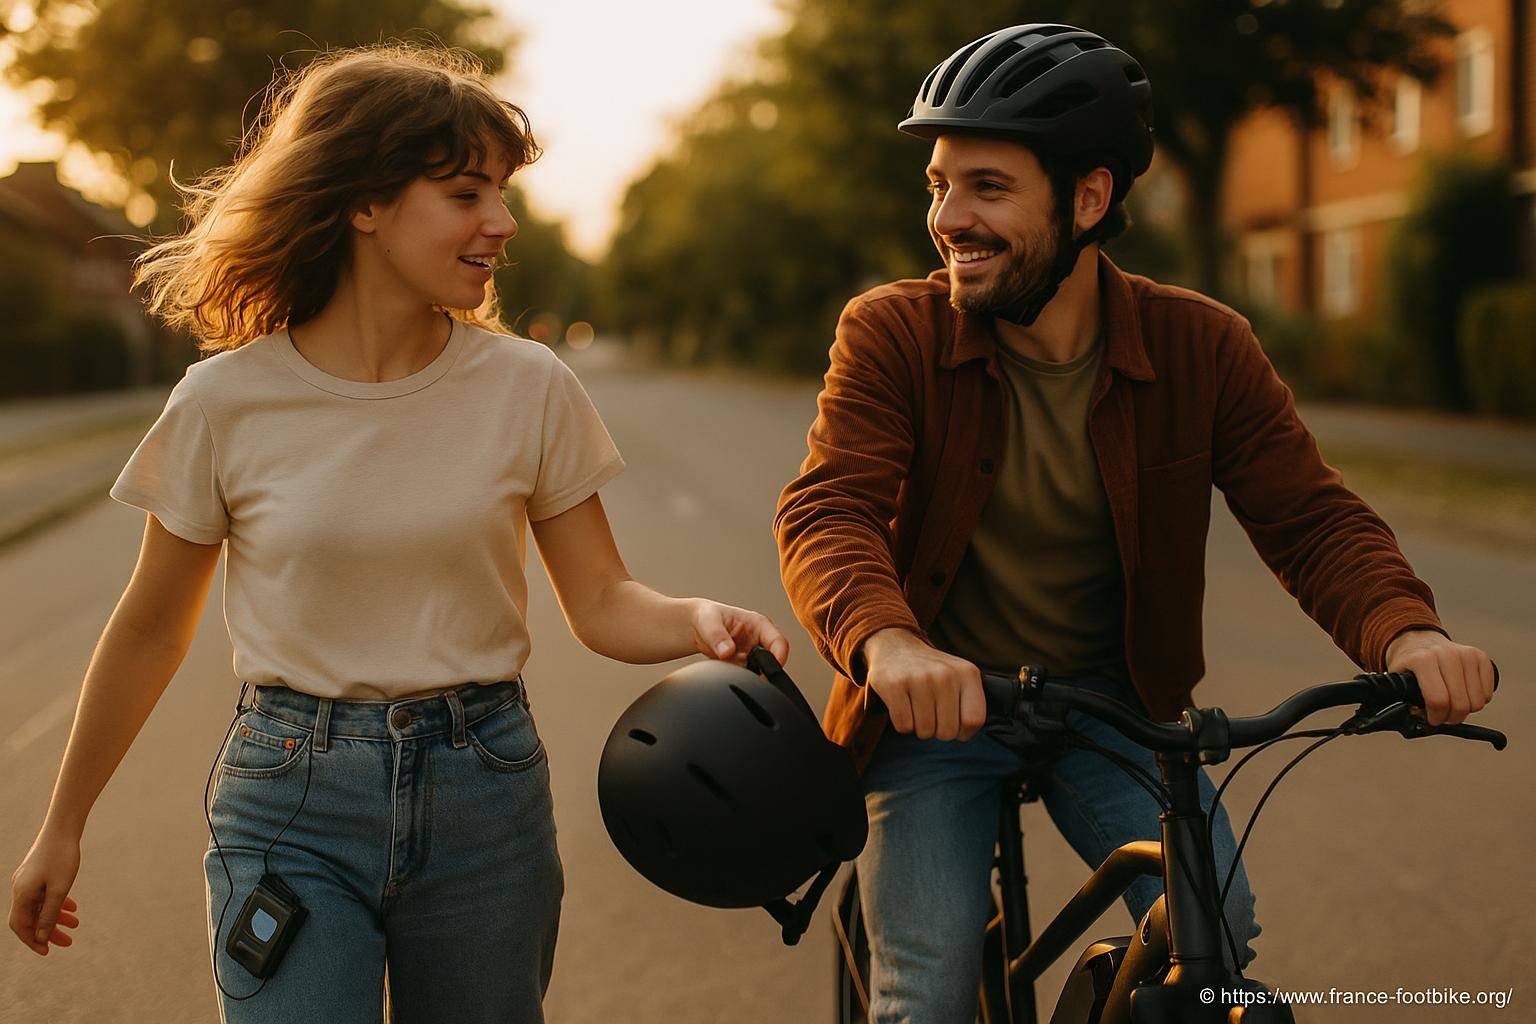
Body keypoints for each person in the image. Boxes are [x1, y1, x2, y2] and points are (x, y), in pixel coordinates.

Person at [7, 43, 789, 1023]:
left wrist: (697, 620)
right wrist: (62, 825)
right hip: (288, 802)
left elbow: (601, 600)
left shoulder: (529, 386)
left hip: (484, 795)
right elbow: (150, 628)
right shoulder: (224, 401)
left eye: (502, 192)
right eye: (466, 193)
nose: (501, 221)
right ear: (366, 203)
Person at [773, 24, 1496, 1024]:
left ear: (1088, 198)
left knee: (1213, 933)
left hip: (1108, 705)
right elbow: (830, 509)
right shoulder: (893, 332)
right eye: (939, 185)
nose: (948, 217)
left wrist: (1406, 633)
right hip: (936, 707)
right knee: (927, 985)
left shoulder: (1203, 346)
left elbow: (1310, 519)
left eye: (987, 187)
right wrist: (889, 643)